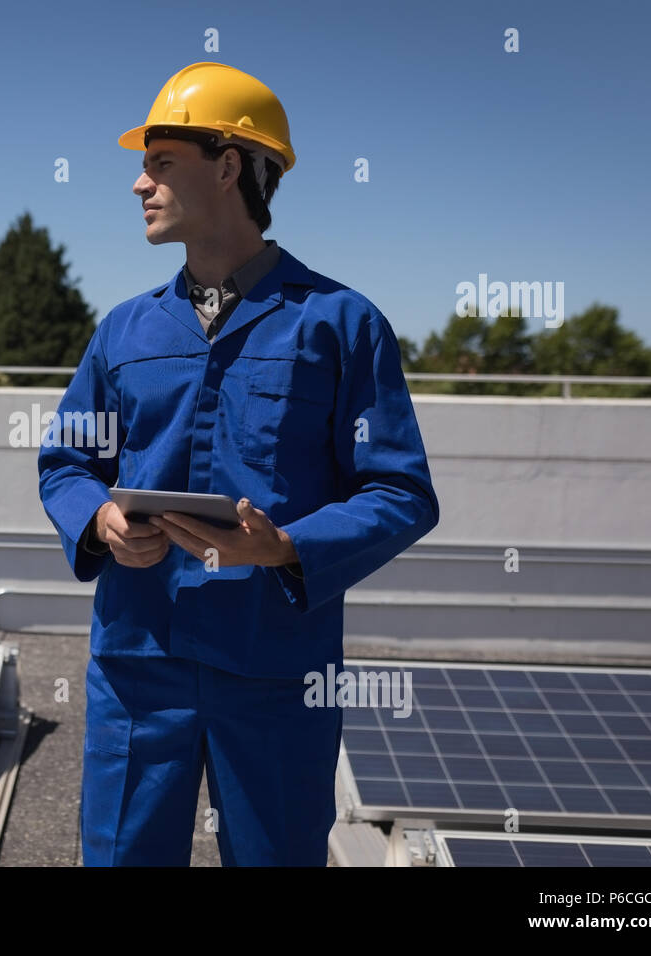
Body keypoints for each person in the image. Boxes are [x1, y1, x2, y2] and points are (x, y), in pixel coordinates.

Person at [38, 62, 440, 866]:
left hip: (276, 675)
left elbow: (400, 491)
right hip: (136, 667)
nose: (138, 184)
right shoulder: (122, 331)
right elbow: (66, 463)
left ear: (228, 166)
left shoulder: (341, 326)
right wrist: (102, 520)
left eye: (160, 163)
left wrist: (285, 547)